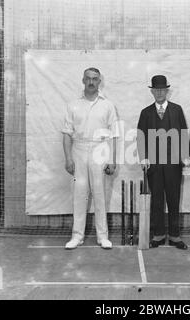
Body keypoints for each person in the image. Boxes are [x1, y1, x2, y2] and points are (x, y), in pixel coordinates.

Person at [62, 67, 119, 250]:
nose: (91, 82)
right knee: (79, 194)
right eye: (88, 78)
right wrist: (68, 159)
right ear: (83, 80)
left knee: (100, 194)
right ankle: (77, 236)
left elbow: (114, 135)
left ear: (100, 81)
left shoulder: (107, 105)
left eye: (95, 79)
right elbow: (66, 134)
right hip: (78, 150)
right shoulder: (73, 105)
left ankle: (102, 236)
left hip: (99, 150)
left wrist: (112, 160)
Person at [137, 75, 190, 250]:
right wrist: (143, 157)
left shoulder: (176, 110)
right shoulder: (145, 113)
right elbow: (141, 136)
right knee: (157, 200)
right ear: (152, 91)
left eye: (162, 89)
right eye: (156, 89)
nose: (159, 92)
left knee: (174, 198)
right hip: (154, 164)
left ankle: (175, 236)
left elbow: (183, 132)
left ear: (167, 91)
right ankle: (159, 234)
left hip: (173, 163)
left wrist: (186, 155)